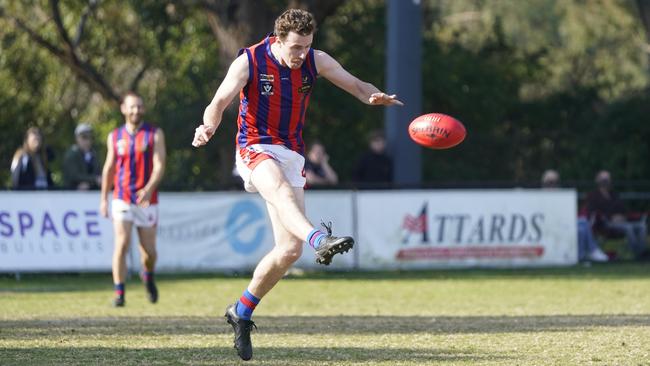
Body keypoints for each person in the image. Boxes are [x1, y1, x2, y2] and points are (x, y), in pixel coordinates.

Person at [192, 9, 402, 361]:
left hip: (292, 153)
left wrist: (373, 96)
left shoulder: (315, 60)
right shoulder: (250, 61)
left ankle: (241, 311)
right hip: (254, 147)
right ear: (278, 40)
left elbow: (355, 84)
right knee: (278, 190)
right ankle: (321, 239)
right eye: (295, 47)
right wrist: (208, 127)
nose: (301, 54)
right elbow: (218, 102)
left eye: (307, 46)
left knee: (289, 251)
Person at [100, 92, 166, 307]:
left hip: (147, 199)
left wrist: (149, 188)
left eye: (139, 106)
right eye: (132, 107)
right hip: (122, 197)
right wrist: (104, 198)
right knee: (121, 243)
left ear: (143, 109)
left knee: (149, 253)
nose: (135, 110)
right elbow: (109, 168)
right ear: (123, 109)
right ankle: (119, 293)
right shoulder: (115, 136)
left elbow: (159, 164)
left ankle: (147, 275)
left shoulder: (154, 134)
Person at [541, 169, 608, 262]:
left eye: (555, 182)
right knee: (582, 225)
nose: (553, 185)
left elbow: (568, 214)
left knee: (582, 226)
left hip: (565, 224)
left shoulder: (562, 196)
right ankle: (593, 251)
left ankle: (582, 255)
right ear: (544, 183)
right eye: (550, 182)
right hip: (550, 227)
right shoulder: (539, 197)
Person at [584, 170, 648, 259]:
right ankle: (638, 254)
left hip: (623, 221)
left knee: (642, 226)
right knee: (628, 228)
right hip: (606, 224)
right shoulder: (593, 196)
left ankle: (643, 251)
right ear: (597, 180)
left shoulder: (614, 194)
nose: (606, 182)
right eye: (603, 179)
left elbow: (623, 209)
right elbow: (593, 212)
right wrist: (611, 217)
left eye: (607, 179)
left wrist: (622, 216)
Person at [62, 123, 102, 190]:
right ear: (77, 138)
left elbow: (98, 173)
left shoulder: (93, 154)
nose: (88, 141)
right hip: (71, 193)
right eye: (84, 137)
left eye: (90, 137)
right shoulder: (72, 154)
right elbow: (74, 176)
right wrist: (94, 179)